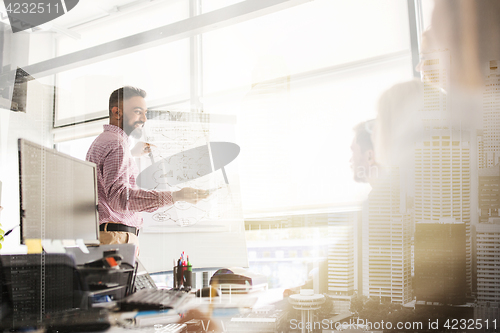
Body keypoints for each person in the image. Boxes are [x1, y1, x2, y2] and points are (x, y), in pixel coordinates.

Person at [86, 86, 210, 246]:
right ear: (117, 113)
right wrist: (176, 196)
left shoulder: (105, 141)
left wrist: (130, 154)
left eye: (145, 113)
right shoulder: (117, 144)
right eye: (138, 112)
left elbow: (106, 183)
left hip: (110, 236)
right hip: (115, 238)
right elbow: (120, 198)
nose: (144, 119)